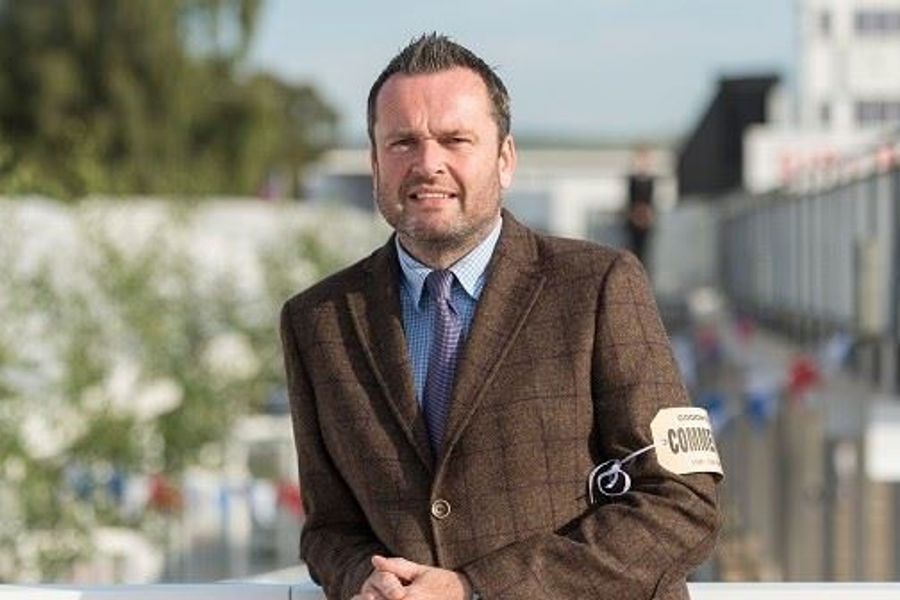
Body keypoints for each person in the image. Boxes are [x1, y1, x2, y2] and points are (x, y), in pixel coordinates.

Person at [280, 33, 720, 600]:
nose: (428, 164)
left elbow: (682, 504)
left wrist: (476, 589)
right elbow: (328, 530)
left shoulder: (599, 286)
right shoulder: (317, 322)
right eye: (403, 142)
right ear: (375, 163)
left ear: (505, 159)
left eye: (455, 140)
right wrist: (362, 577)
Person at [625, 146, 656, 269]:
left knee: (646, 251)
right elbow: (630, 201)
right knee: (634, 248)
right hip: (634, 221)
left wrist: (646, 216)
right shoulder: (632, 180)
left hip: (645, 222)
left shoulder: (651, 180)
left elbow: (651, 202)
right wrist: (635, 215)